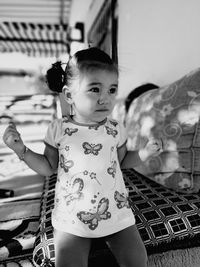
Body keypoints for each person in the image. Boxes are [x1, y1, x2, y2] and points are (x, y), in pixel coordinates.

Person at [3, 47, 149, 267]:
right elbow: (48, 167)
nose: (105, 99)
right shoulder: (59, 129)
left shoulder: (116, 128)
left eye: (112, 90)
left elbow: (123, 161)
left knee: (138, 260)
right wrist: (21, 150)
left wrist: (145, 153)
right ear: (69, 95)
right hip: (72, 217)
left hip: (116, 212)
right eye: (94, 89)